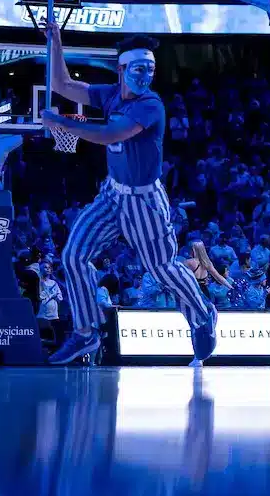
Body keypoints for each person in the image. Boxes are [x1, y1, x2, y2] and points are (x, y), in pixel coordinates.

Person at [40, 21, 217, 366]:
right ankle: (85, 333)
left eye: (151, 68)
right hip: (112, 194)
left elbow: (110, 135)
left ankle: (202, 313)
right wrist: (56, 41)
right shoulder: (108, 93)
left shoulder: (150, 105)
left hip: (144, 200)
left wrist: (62, 124)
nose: (146, 74)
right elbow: (61, 84)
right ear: (122, 69)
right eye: (139, 68)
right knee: (73, 255)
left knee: (162, 268)